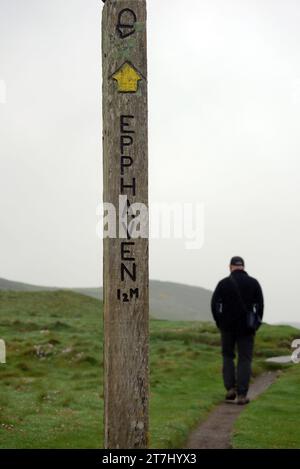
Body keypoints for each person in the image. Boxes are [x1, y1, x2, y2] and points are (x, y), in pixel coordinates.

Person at [211, 256, 264, 405]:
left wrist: (219, 321)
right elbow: (260, 306)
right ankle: (241, 395)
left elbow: (214, 304)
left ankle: (230, 389)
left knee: (228, 356)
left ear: (230, 267)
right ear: (243, 267)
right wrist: (256, 324)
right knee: (244, 359)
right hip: (247, 328)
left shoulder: (223, 283)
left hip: (227, 327)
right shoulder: (253, 283)